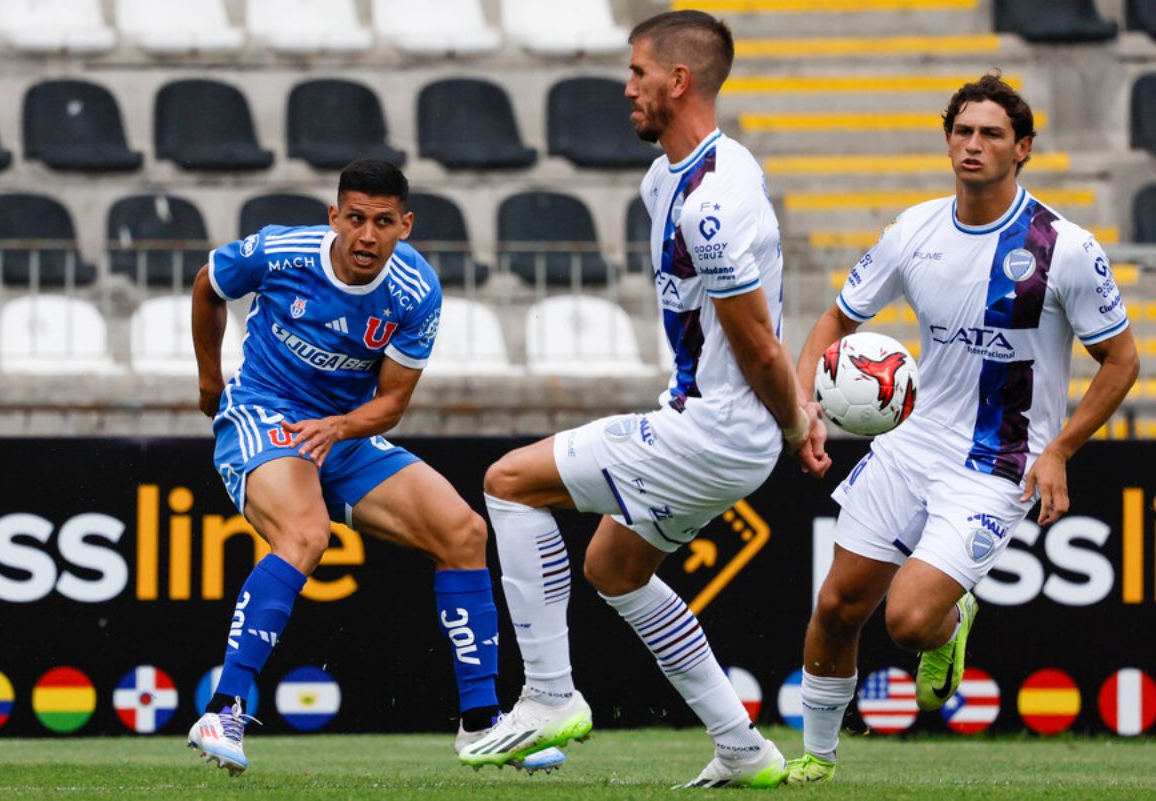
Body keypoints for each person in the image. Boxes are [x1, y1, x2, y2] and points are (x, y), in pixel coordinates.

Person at [458, 10, 828, 788]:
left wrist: (797, 423)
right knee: (613, 567)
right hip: (718, 424)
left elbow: (759, 343)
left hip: (715, 431)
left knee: (507, 483)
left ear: (678, 80)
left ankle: (550, 695)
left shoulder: (712, 205)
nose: (626, 88)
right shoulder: (669, 178)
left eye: (636, 72)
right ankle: (741, 744)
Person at [786, 74, 1139, 785]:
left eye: (991, 134)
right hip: (912, 442)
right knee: (836, 604)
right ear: (948, 140)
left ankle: (952, 622)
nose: (973, 145)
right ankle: (817, 761)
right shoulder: (913, 229)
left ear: (1024, 149)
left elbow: (1122, 361)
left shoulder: (1063, 248)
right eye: (962, 131)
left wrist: (1061, 449)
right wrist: (805, 404)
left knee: (910, 620)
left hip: (996, 460)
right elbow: (835, 320)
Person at [187, 159, 561, 775]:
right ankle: (223, 709)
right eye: (355, 219)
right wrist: (208, 378)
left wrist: (339, 427)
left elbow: (390, 405)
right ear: (334, 217)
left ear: (405, 225)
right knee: (305, 535)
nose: (367, 235)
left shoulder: (415, 291)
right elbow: (208, 283)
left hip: (345, 432)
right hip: (264, 413)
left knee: (464, 533)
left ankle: (480, 724)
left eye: (383, 222)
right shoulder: (282, 252)